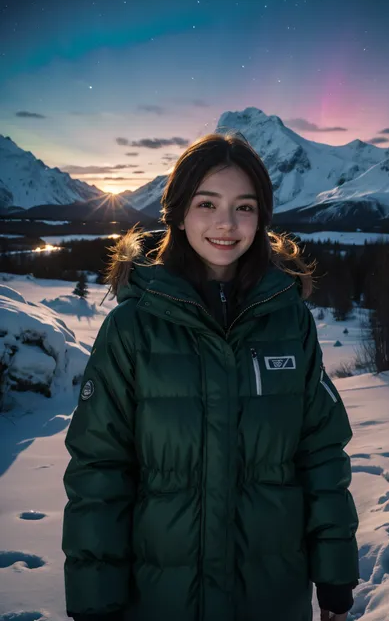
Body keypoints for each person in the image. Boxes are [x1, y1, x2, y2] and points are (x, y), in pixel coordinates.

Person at [62, 133, 360, 621]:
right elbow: (99, 469)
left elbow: (321, 452)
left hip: (272, 593)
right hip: (162, 597)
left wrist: (334, 573)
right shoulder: (133, 327)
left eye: (244, 207)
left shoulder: (290, 323)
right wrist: (97, 600)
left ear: (261, 218)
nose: (226, 224)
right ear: (178, 212)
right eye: (207, 203)